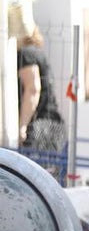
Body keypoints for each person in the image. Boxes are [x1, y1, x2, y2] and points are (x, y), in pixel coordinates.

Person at [17, 26, 66, 162]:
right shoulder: (37, 52)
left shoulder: (25, 54)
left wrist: (22, 126)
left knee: (29, 176)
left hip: (38, 127)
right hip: (53, 125)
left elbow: (33, 89)